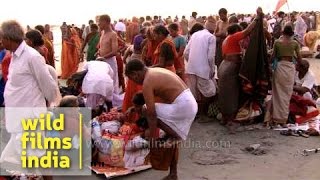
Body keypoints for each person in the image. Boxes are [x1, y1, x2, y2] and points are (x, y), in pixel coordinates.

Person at [0, 20, 58, 178]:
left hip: (30, 118)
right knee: (18, 160)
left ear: (9, 37)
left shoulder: (32, 57)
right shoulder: (14, 57)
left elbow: (49, 87)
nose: (0, 41)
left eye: (1, 38)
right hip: (18, 119)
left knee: (37, 157)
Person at [125, 59, 197, 180]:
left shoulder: (147, 81)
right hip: (188, 103)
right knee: (171, 142)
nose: (135, 82)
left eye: (133, 79)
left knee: (145, 110)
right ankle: (173, 173)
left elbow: (151, 114)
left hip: (183, 106)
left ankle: (174, 135)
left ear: (135, 74)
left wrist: (152, 139)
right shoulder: (154, 71)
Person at [218, 8, 264, 133]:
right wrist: (257, 18)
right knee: (232, 93)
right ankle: (231, 120)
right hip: (230, 67)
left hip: (224, 66)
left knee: (224, 93)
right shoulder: (234, 37)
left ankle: (224, 117)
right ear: (236, 31)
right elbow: (248, 31)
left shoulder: (226, 40)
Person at [184, 23, 216, 123]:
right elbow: (211, 57)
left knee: (195, 93)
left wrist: (192, 62)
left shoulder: (194, 35)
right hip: (203, 69)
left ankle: (195, 115)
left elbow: (186, 53)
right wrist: (212, 70)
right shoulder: (211, 37)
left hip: (191, 68)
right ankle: (203, 115)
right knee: (209, 92)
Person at [271, 25, 302, 127]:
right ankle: (283, 120)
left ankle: (276, 119)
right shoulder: (295, 43)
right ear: (292, 33)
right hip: (289, 68)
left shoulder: (277, 43)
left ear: (283, 33)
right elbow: (299, 59)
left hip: (280, 68)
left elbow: (273, 57)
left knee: (277, 93)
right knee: (287, 94)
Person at [97, 14, 120, 94]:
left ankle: (113, 103)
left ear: (106, 22)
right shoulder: (102, 32)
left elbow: (114, 51)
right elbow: (103, 46)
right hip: (102, 61)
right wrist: (99, 52)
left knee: (112, 83)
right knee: (103, 83)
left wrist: (103, 57)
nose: (98, 24)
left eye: (100, 22)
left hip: (110, 62)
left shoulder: (113, 34)